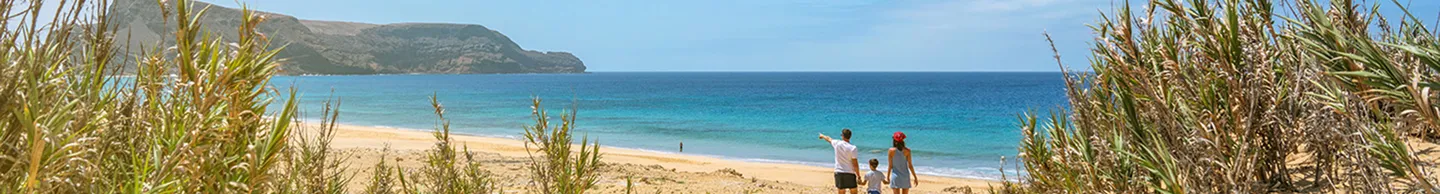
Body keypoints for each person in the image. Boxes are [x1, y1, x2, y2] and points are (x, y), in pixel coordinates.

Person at [819, 128, 861, 194]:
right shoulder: (853, 148)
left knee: (841, 191)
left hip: (839, 171)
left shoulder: (837, 143)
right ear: (850, 136)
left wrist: (822, 136)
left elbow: (828, 138)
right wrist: (858, 176)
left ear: (842, 136)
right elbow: (855, 164)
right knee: (853, 191)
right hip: (850, 172)